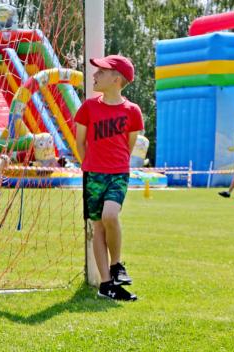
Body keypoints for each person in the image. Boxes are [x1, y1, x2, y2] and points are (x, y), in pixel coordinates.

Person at [74, 54, 143, 302]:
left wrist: (114, 164)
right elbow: (80, 142)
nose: (94, 75)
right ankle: (106, 285)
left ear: (116, 79)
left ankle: (116, 265)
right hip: (93, 174)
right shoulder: (88, 108)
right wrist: (90, 165)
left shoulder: (132, 111)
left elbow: (129, 145)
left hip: (118, 174)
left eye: (101, 72)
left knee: (110, 216)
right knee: (98, 227)